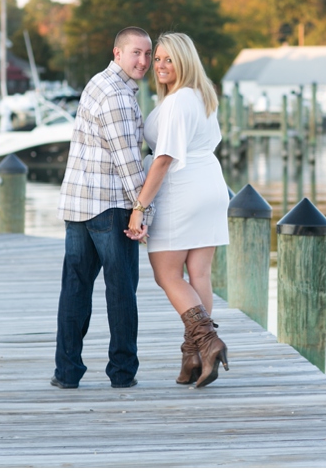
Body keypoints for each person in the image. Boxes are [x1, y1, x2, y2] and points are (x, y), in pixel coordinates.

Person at [51, 26, 153, 390]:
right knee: (121, 290)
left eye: (147, 54)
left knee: (75, 289)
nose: (143, 61)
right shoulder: (119, 98)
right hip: (110, 207)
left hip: (78, 205)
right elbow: (128, 162)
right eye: (135, 53)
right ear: (117, 53)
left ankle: (67, 372)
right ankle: (122, 373)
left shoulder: (97, 83)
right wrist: (143, 212)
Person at [126, 32, 230, 388]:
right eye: (157, 59)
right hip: (212, 186)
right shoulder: (202, 97)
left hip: (184, 189)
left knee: (167, 275)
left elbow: (166, 158)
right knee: (199, 274)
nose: (160, 66)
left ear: (185, 61)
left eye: (169, 59)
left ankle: (209, 341)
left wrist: (139, 206)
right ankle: (195, 356)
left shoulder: (176, 103)